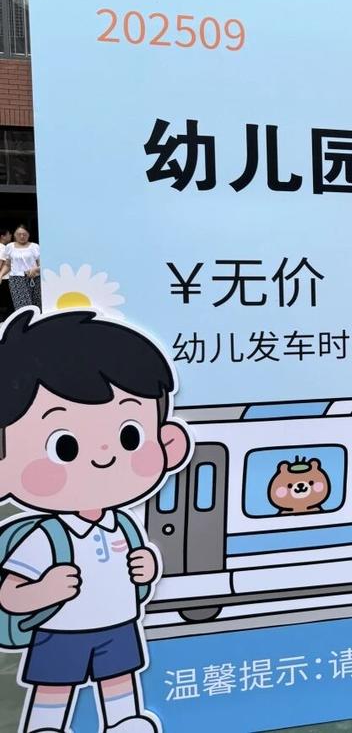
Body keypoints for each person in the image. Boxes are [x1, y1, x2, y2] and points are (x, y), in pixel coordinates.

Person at [0, 309, 193, 733]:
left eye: (130, 436)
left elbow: (138, 570)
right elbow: (10, 594)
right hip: (63, 627)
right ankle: (45, 726)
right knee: (54, 685)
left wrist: (147, 569)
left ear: (168, 442)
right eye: (64, 446)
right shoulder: (48, 535)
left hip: (118, 623)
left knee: (119, 679)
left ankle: (123, 722)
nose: (104, 457)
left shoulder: (122, 524)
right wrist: (42, 591)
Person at [6, 225, 41, 310]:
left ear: (28, 235)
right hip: (16, 279)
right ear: (14, 235)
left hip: (34, 278)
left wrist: (35, 269)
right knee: (22, 306)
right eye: (19, 234)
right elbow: (7, 265)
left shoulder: (35, 246)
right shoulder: (9, 247)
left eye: (24, 234)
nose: (22, 236)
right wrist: (0, 274)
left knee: (36, 304)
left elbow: (42, 264)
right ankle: (24, 319)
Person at [0, 227, 13, 321]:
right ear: (2, 236)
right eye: (9, 234)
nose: (11, 236)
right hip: (4, 280)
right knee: (7, 304)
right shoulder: (2, 248)